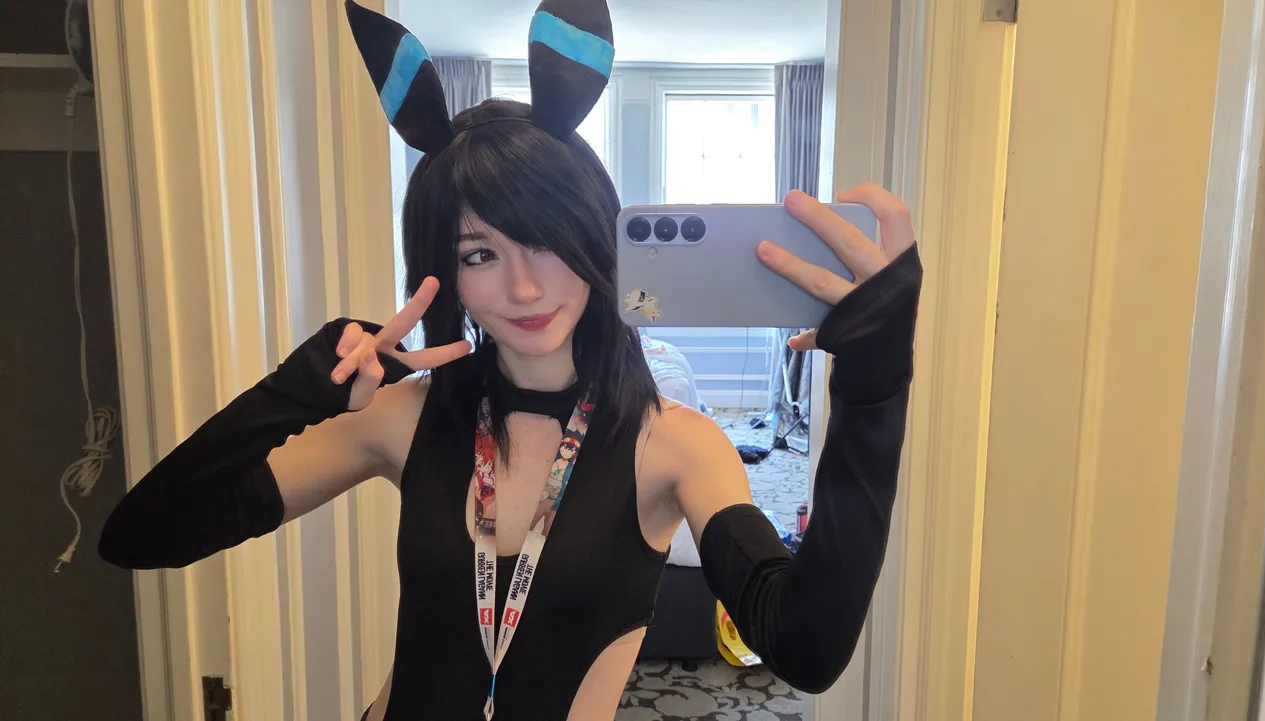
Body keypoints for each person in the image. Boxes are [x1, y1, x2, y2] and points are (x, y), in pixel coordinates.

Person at [97, 1, 924, 719]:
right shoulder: (405, 417)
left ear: (592, 233)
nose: (524, 286)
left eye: (544, 240)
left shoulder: (675, 444)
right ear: (443, 267)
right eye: (480, 253)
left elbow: (804, 647)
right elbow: (143, 534)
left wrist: (873, 387)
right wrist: (296, 390)